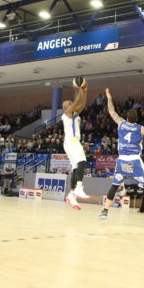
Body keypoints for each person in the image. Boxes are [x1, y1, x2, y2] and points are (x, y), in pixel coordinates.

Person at [98, 88, 144, 221]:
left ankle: (105, 211)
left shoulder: (121, 123)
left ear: (127, 118)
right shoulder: (140, 128)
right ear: (137, 119)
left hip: (122, 161)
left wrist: (109, 97)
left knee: (114, 185)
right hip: (135, 161)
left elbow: (111, 111)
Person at [62, 79, 89, 210]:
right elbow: (78, 101)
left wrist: (85, 90)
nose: (72, 103)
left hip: (71, 142)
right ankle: (79, 187)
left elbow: (82, 103)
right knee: (82, 161)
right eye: (69, 103)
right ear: (66, 107)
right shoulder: (66, 114)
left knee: (75, 168)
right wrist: (79, 89)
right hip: (71, 142)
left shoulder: (74, 114)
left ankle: (72, 194)